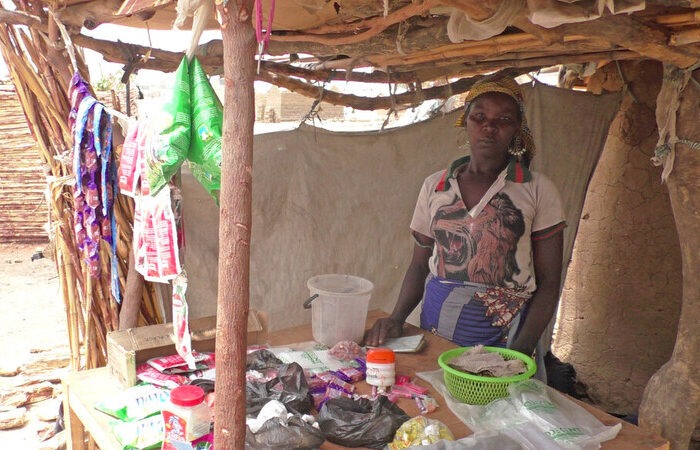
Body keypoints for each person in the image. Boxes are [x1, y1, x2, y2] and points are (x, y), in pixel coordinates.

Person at [363, 74, 566, 358]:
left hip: (505, 332)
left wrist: (520, 351)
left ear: (517, 129)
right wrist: (396, 319)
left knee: (494, 399)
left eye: (503, 119)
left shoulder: (537, 189)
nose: (489, 127)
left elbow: (549, 281)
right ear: (465, 122)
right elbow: (420, 265)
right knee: (434, 390)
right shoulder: (435, 186)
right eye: (479, 116)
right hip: (437, 322)